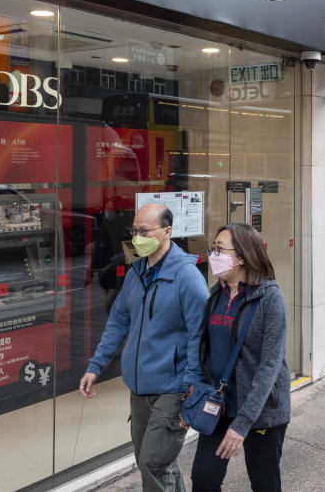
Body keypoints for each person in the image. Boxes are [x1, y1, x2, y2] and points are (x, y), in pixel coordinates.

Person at [80, 204, 209, 492]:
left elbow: (199, 335)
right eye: (134, 231)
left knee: (153, 463)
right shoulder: (136, 271)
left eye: (145, 231)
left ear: (167, 232)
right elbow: (118, 321)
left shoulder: (186, 277)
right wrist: (95, 366)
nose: (138, 237)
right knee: (152, 461)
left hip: (173, 388)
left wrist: (190, 386)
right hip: (139, 389)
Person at [191, 223, 290, 492]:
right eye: (213, 248)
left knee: (264, 483)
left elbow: (270, 366)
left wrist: (243, 423)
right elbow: (205, 351)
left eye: (219, 249)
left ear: (242, 256)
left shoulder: (270, 299)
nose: (213, 254)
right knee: (203, 479)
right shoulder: (216, 296)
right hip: (220, 407)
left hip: (261, 414)